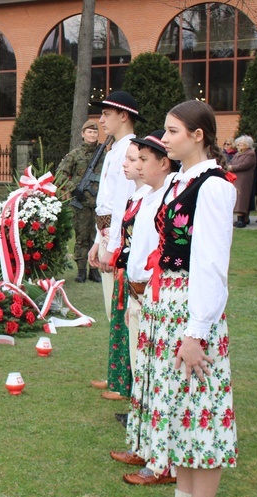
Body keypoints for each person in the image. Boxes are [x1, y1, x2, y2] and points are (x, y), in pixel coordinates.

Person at [127, 100, 237, 497]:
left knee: (202, 413)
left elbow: (210, 264)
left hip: (191, 308)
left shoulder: (214, 186)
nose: (164, 138)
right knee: (180, 412)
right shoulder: (181, 182)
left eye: (172, 131)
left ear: (198, 136)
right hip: (167, 304)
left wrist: (198, 331)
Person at [110, 130, 178, 484]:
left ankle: (160, 458)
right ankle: (143, 443)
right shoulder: (148, 196)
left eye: (143, 160)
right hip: (139, 292)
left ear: (162, 164)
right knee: (144, 376)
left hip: (157, 293)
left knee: (155, 378)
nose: (135, 165)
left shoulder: (170, 194)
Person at [86, 91, 145, 391]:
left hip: (121, 243)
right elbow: (104, 204)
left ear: (123, 115)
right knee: (115, 313)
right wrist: (99, 239)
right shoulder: (113, 150)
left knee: (122, 312)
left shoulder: (129, 151)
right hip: (109, 238)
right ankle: (118, 374)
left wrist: (112, 246)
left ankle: (127, 380)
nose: (101, 119)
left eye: (106, 113)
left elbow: (124, 204)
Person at [102, 141, 148, 401]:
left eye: (134, 159)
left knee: (137, 336)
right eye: (129, 158)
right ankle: (124, 385)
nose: (126, 164)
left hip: (138, 276)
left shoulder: (149, 198)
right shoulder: (137, 196)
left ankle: (132, 391)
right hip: (128, 269)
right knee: (124, 328)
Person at [56, 120, 104, 283]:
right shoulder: (74, 155)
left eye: (95, 132)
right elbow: (60, 175)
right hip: (81, 203)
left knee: (97, 237)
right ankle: (82, 270)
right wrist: (73, 188)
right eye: (89, 132)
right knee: (82, 238)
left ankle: (94, 270)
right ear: (83, 134)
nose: (92, 135)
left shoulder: (104, 155)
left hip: (99, 204)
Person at [228, 135, 256, 228]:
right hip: (236, 177)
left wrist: (231, 167)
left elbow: (245, 165)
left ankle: (242, 219)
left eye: (241, 143)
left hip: (244, 178)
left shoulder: (250, 153)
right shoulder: (237, 154)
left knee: (242, 198)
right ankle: (242, 219)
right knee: (237, 197)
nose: (239, 144)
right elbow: (231, 162)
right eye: (238, 143)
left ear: (247, 144)